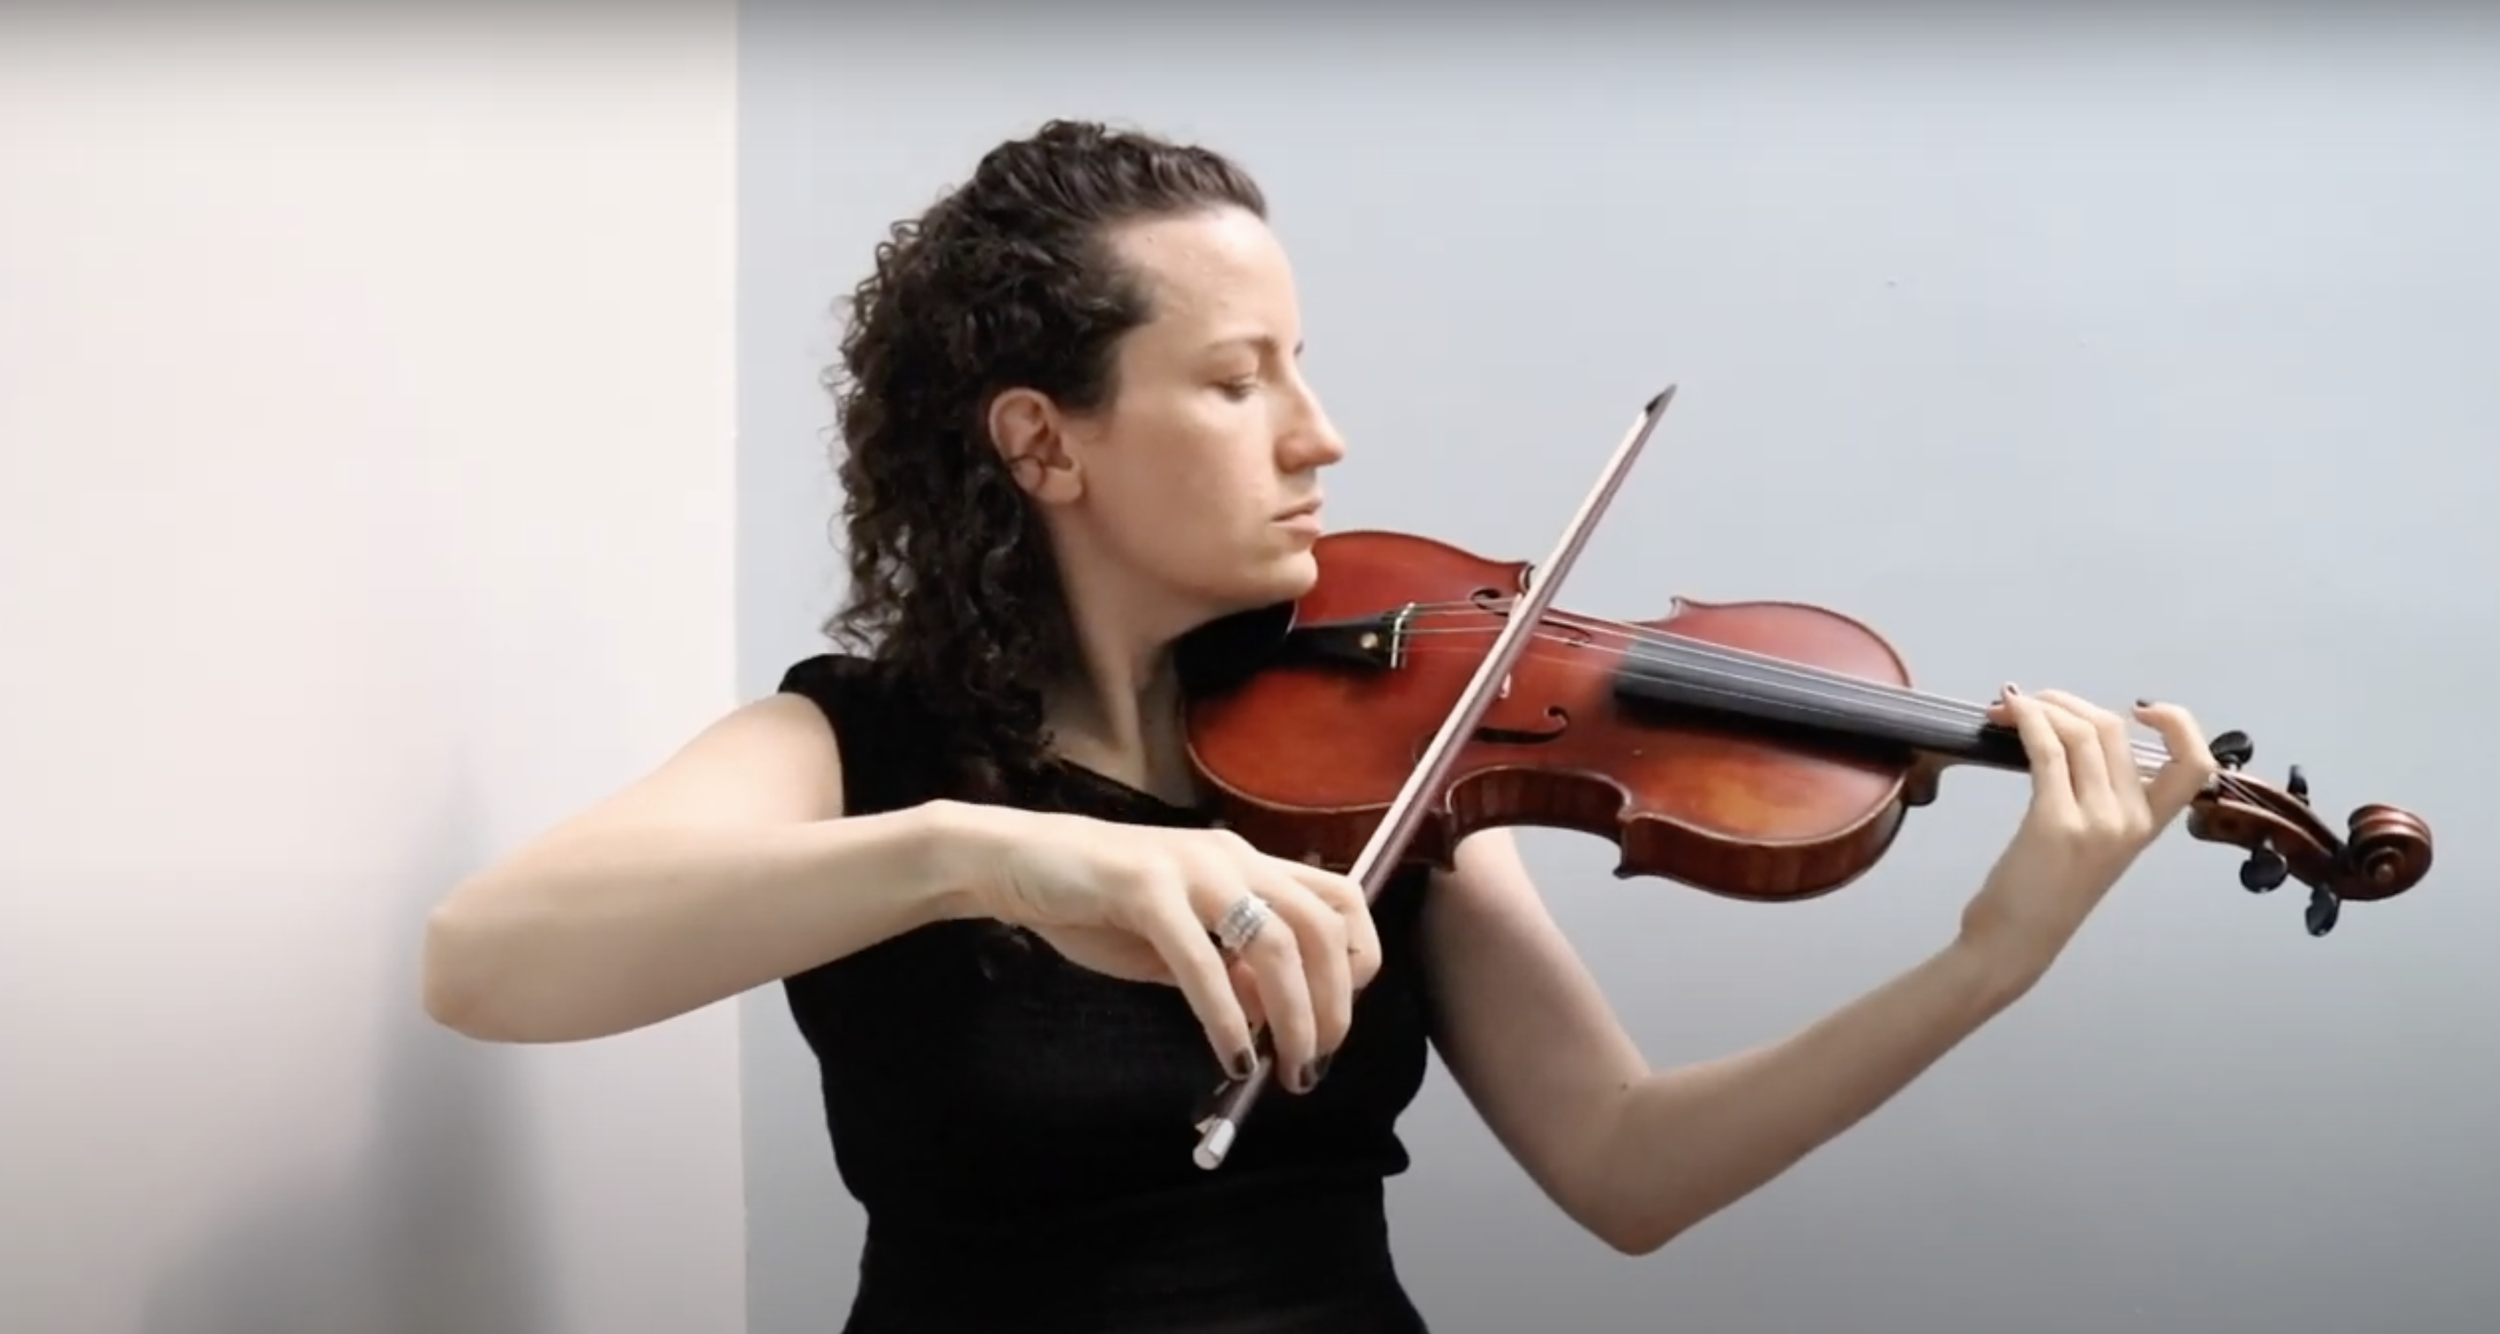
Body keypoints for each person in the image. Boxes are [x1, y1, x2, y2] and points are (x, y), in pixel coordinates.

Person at [419, 119, 2222, 1333]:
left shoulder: (1381, 750)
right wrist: (993, 857)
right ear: (1044, 442)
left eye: (1301, 361)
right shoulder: (859, 754)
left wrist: (1986, 960)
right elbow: (484, 959)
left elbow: (1629, 1164)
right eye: (1236, 378)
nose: (1320, 432)